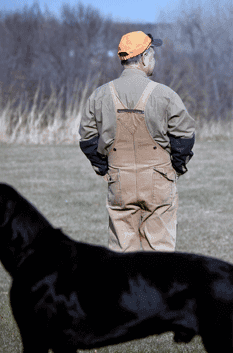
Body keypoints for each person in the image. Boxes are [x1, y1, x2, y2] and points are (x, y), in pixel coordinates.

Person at [79, 31, 195, 252]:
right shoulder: (165, 94)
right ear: (143, 58)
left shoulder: (99, 95)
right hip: (159, 180)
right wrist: (177, 166)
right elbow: (185, 137)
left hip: (119, 180)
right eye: (152, 56)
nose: (154, 60)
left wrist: (103, 167)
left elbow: (87, 138)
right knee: (159, 253)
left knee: (122, 256)